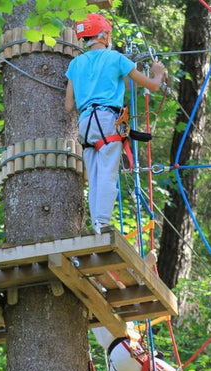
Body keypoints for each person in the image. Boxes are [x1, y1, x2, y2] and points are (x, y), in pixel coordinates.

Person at [64, 13, 166, 233]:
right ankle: (102, 224)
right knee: (108, 173)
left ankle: (97, 224)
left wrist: (90, 90)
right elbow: (153, 85)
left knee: (95, 177)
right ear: (103, 35)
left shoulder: (75, 64)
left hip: (85, 124)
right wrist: (158, 74)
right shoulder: (116, 59)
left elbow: (68, 105)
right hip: (106, 120)